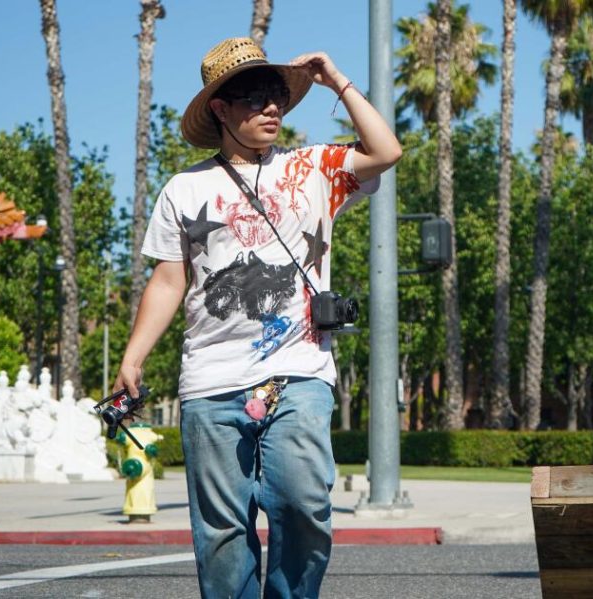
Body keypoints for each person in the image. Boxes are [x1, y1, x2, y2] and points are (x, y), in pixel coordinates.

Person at [113, 37, 402, 598]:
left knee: (304, 503)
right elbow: (170, 279)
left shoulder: (314, 167)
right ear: (220, 109)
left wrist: (337, 80)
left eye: (276, 95)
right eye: (253, 96)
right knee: (220, 533)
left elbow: (387, 150)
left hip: (299, 370)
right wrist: (133, 356)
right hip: (211, 379)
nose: (271, 107)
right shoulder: (184, 188)